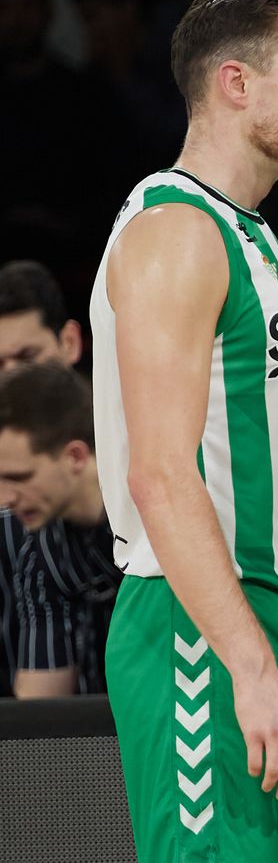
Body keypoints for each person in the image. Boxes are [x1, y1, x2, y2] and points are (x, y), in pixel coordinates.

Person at [91, 0, 278, 862]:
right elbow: (162, 475)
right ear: (237, 83)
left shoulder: (250, 233)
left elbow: (255, 474)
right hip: (194, 629)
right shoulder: (175, 230)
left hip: (260, 619)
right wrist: (249, 662)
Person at [0, 362, 120, 697]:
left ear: (76, 457)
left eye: (20, 478)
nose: (6, 499)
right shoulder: (41, 558)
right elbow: (40, 708)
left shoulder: (159, 522)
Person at [0, 259, 85, 698]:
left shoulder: (155, 469)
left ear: (69, 342)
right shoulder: (42, 556)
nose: (11, 379)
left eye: (27, 358)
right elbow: (38, 715)